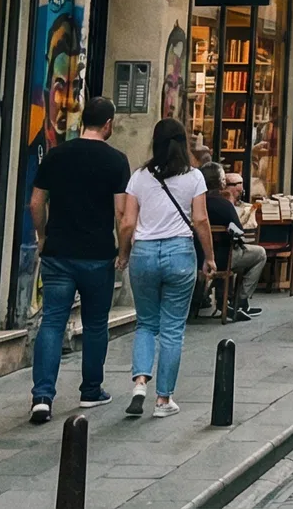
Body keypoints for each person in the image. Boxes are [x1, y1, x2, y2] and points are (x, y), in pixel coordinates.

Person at [27, 94, 128, 423]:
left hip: (59, 251)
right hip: (97, 254)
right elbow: (121, 214)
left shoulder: (56, 155)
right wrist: (122, 250)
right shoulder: (116, 161)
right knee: (97, 323)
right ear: (108, 124)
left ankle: (42, 395)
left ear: (84, 120)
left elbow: (35, 203)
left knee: (52, 322)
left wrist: (42, 237)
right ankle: (90, 390)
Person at [117, 118, 212, 419]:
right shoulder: (194, 177)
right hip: (179, 253)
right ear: (183, 144)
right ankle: (163, 400)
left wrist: (123, 254)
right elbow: (200, 220)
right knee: (172, 329)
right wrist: (209, 257)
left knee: (146, 324)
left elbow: (128, 222)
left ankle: (139, 383)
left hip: (143, 253)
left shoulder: (139, 177)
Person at [200, 164, 264, 323]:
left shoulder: (196, 203)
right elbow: (239, 232)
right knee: (260, 254)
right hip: (223, 258)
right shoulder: (224, 205)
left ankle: (222, 299)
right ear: (221, 182)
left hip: (199, 257)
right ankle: (240, 299)